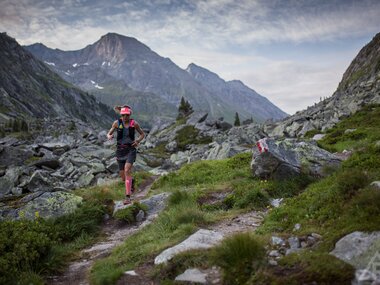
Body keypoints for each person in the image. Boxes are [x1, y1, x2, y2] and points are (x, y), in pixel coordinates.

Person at [107, 105, 145, 205]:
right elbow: (109, 133)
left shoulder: (134, 123)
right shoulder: (116, 123)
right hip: (120, 151)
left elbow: (142, 134)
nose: (125, 117)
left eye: (127, 115)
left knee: (127, 170)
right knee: (124, 178)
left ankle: (127, 197)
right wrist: (110, 136)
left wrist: (137, 141)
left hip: (130, 150)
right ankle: (131, 182)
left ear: (129, 115)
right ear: (121, 115)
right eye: (123, 115)